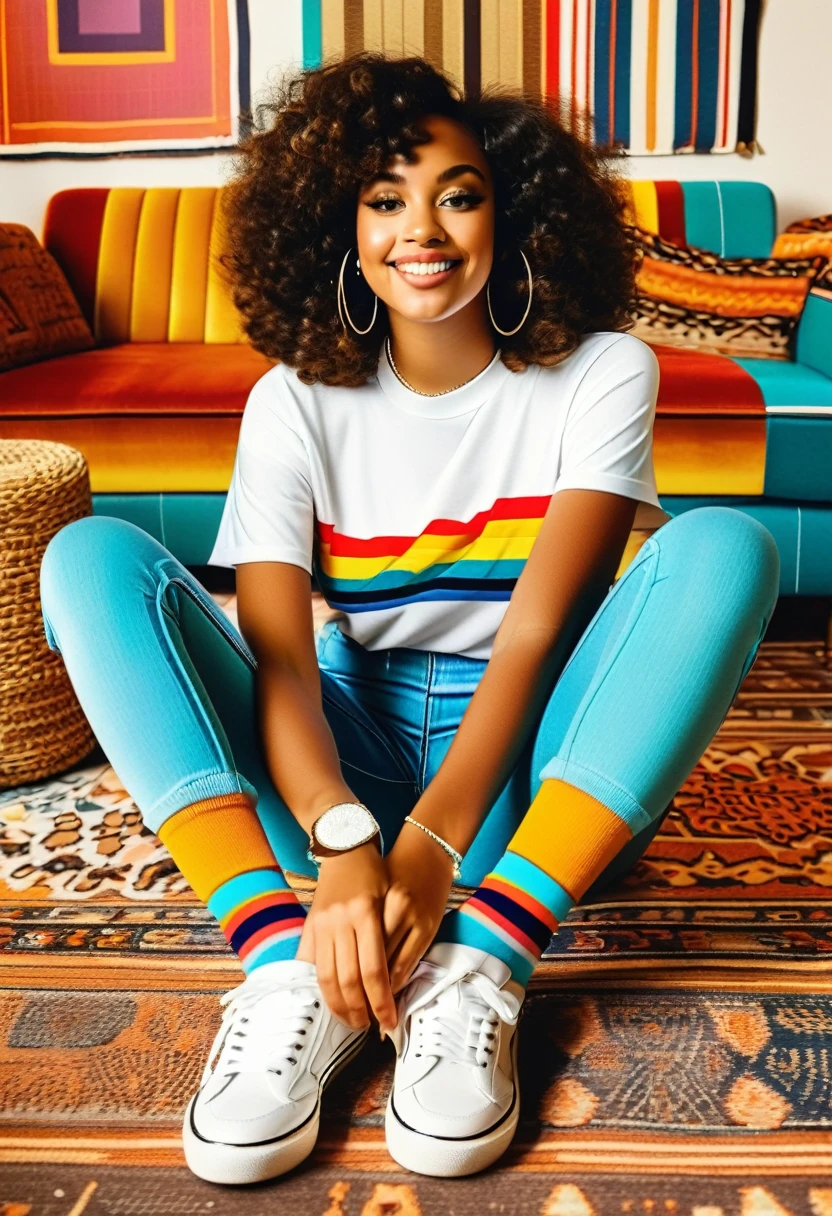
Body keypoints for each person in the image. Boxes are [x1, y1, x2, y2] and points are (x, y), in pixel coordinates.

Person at [38, 51, 780, 1186]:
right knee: (87, 556)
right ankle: (283, 959)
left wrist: (434, 852)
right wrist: (339, 838)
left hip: (527, 775)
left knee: (731, 544)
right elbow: (279, 654)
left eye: (458, 193)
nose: (420, 229)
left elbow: (537, 636)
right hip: (344, 750)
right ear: (337, 228)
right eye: (384, 199)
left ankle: (490, 954)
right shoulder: (291, 399)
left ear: (511, 210)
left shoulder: (601, 372)